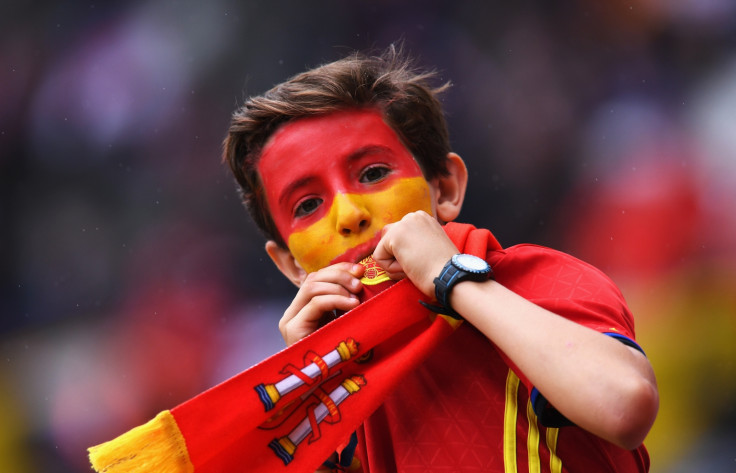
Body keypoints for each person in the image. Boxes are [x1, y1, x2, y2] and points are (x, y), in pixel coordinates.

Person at [222, 45, 659, 473]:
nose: (349, 214)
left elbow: (625, 405)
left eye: (373, 173)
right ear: (292, 266)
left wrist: (452, 277)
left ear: (446, 189)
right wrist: (310, 399)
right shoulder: (339, 394)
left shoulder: (532, 279)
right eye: (307, 204)